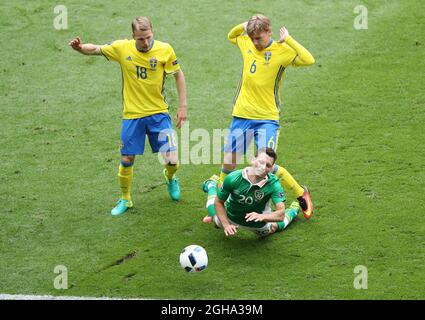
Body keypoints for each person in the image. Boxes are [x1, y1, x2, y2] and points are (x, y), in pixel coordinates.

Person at [69, 16, 187, 216]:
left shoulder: (165, 50)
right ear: (133, 36)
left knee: (172, 159)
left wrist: (182, 106)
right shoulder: (122, 48)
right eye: (141, 39)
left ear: (152, 32)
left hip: (159, 114)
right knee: (126, 158)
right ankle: (126, 198)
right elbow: (96, 49)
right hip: (132, 116)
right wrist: (79, 48)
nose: (146, 42)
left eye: (149, 37)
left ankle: (170, 177)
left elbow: (178, 75)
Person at [203, 14, 315, 223]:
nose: (256, 42)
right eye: (253, 38)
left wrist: (289, 39)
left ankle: (300, 193)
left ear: (269, 32)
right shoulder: (246, 42)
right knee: (228, 164)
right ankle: (221, 209)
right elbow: (231, 35)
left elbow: (309, 59)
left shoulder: (282, 51)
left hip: (267, 118)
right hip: (242, 115)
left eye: (260, 38)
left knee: (267, 166)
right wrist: (245, 25)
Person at [203, 148, 300, 237]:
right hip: (230, 217)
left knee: (272, 229)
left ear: (271, 169)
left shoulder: (274, 184)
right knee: (215, 219)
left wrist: (262, 216)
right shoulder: (233, 178)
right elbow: (218, 202)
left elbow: (280, 215)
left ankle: (293, 211)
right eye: (261, 162)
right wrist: (226, 225)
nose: (263, 167)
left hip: (257, 222)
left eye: (268, 165)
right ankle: (211, 185)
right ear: (253, 160)